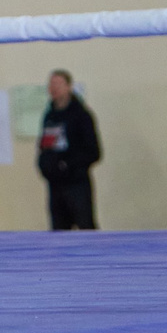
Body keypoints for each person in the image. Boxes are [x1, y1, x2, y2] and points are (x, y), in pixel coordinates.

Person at [38, 69, 102, 231]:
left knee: (85, 227)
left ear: (68, 87)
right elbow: (44, 146)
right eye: (51, 85)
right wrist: (44, 165)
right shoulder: (49, 116)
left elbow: (94, 152)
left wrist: (67, 164)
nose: (53, 88)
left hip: (77, 185)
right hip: (55, 186)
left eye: (58, 84)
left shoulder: (82, 116)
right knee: (59, 231)